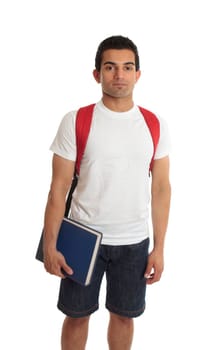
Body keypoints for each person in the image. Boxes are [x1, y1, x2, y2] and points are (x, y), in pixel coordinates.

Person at [43, 35, 171, 350]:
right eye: (110, 67)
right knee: (76, 316)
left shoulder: (153, 124)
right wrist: (50, 243)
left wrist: (159, 247)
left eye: (127, 67)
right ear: (97, 74)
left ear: (137, 75)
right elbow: (57, 188)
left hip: (134, 243)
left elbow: (161, 188)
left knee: (124, 317)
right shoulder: (76, 120)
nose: (119, 75)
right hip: (82, 238)